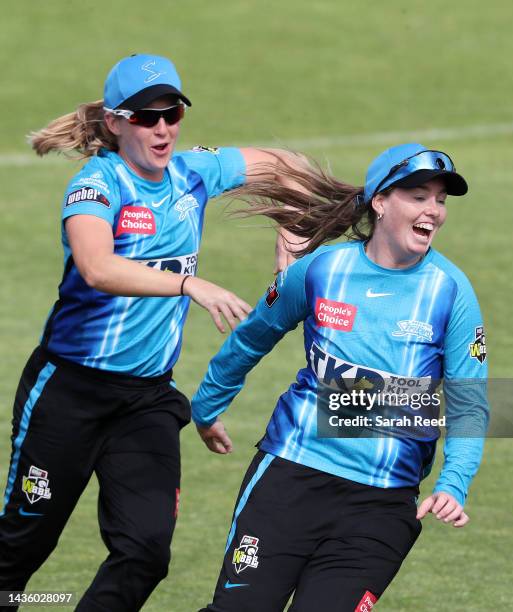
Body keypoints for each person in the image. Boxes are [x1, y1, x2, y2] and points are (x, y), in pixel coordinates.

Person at [0, 53, 306, 611]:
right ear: (116, 123)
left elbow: (285, 165)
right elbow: (97, 266)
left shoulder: (195, 172)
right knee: (19, 551)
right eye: (145, 117)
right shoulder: (95, 185)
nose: (162, 127)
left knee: (145, 552)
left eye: (171, 113)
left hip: (145, 401)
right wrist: (188, 286)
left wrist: (290, 228)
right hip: (68, 394)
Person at [192, 144, 490, 611]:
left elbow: (469, 403)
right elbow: (251, 339)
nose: (433, 210)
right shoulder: (321, 270)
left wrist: (453, 483)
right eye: (418, 196)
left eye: (440, 200)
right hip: (291, 475)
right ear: (380, 201)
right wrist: (207, 406)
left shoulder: (451, 292)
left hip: (381, 507)